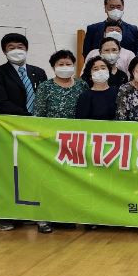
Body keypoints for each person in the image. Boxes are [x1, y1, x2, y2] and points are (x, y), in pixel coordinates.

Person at [0, 33, 47, 232]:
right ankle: (7, 216)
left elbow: (43, 98)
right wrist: (29, 116)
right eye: (11, 47)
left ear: (27, 48)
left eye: (20, 46)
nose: (16, 50)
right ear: (4, 51)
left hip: (35, 132)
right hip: (10, 132)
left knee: (33, 172)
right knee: (9, 173)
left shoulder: (38, 72)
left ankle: (30, 212)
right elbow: (0, 102)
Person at [34, 49, 88, 234]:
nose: (65, 67)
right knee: (48, 180)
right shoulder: (45, 87)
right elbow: (39, 114)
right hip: (51, 141)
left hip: (75, 142)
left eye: (68, 64)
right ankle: (44, 218)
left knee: (69, 180)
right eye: (60, 64)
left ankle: (64, 215)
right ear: (53, 67)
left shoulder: (81, 85)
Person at [75, 56, 120, 121]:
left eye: (103, 68)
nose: (100, 71)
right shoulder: (85, 96)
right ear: (90, 75)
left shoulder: (118, 92)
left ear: (109, 71)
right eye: (95, 69)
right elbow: (80, 121)